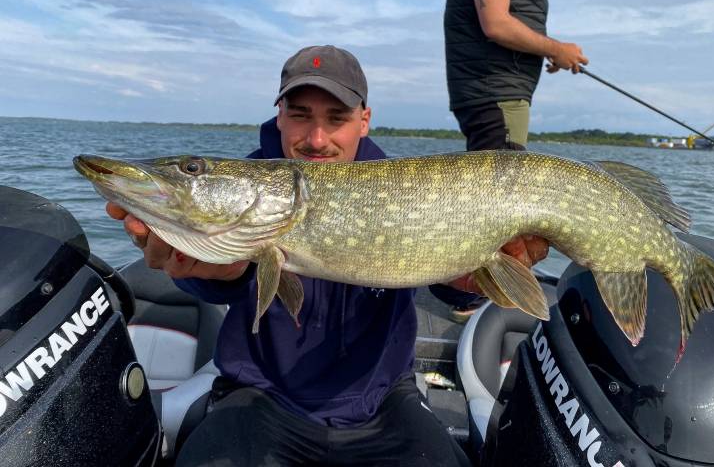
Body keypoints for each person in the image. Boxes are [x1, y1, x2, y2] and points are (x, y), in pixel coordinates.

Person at [107, 44, 549, 466]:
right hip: (262, 393)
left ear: (364, 120)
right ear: (278, 116)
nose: (316, 139)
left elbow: (452, 290)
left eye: (336, 118)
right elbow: (216, 271)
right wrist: (217, 272)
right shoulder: (254, 179)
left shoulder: (407, 189)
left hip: (383, 400)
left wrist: (467, 286)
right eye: (300, 116)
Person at [434, 0, 586, 320]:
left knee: (489, 201)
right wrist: (555, 47)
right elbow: (495, 22)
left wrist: (548, 53)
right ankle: (466, 297)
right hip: (494, 95)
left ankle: (464, 289)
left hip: (495, 91)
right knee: (498, 207)